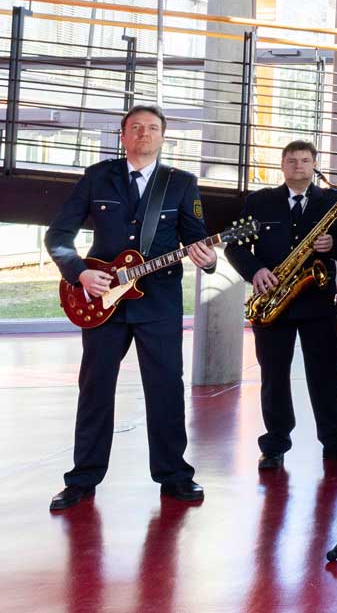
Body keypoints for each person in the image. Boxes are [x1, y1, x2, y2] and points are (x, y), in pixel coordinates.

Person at [45, 105, 218, 510]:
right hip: (101, 302)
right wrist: (80, 274)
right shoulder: (96, 177)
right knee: (94, 389)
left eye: (152, 128)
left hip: (158, 302)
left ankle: (174, 474)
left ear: (163, 138)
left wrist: (207, 259)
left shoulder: (181, 183)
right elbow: (58, 236)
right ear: (123, 136)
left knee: (165, 389)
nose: (144, 133)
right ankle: (82, 479)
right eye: (135, 128)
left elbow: (199, 243)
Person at [225, 140, 337, 471]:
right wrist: (255, 270)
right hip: (272, 301)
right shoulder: (259, 202)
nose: (298, 166)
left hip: (317, 300)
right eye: (292, 160)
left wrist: (333, 244)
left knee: (326, 374)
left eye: (305, 160)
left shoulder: (333, 201)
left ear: (314, 165)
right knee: (274, 376)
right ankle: (275, 443)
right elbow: (234, 246)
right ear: (282, 165)